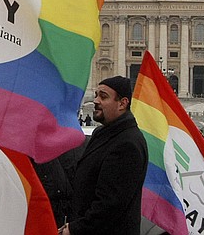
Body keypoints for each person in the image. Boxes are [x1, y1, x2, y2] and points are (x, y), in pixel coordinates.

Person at [63, 76, 147, 235]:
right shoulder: (102, 133)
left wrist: (74, 229)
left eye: (103, 96)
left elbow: (110, 206)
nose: (95, 101)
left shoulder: (127, 144)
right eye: (96, 95)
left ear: (122, 103)